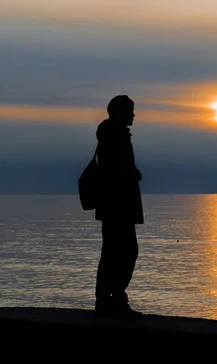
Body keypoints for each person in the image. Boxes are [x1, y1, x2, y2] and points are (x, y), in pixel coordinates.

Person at [94, 94, 144, 319]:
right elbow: (114, 170)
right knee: (124, 252)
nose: (134, 114)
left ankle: (109, 300)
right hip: (118, 204)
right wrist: (131, 174)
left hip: (115, 204)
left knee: (116, 252)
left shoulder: (114, 133)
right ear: (120, 111)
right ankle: (113, 300)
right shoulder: (114, 135)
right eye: (130, 110)